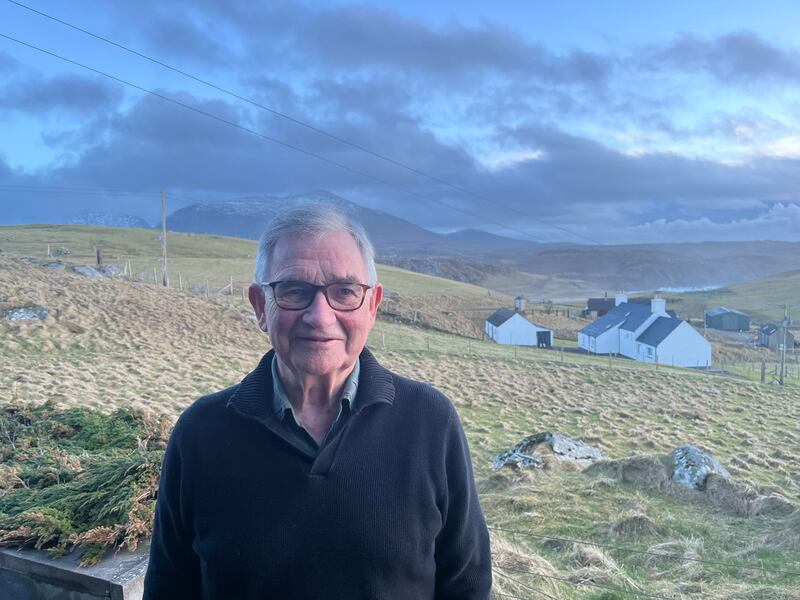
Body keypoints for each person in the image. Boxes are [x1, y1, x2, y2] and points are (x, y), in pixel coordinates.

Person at [143, 203, 492, 599]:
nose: (320, 316)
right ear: (260, 305)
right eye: (294, 290)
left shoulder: (430, 421)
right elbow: (168, 590)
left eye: (344, 292)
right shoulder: (200, 433)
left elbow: (467, 587)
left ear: (372, 305)